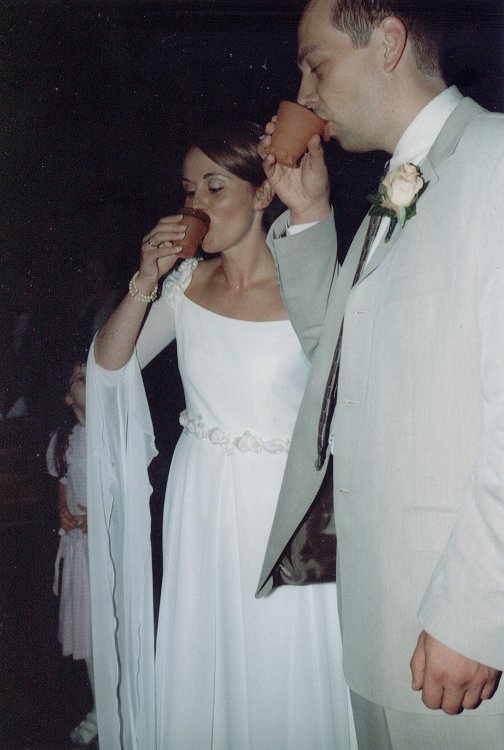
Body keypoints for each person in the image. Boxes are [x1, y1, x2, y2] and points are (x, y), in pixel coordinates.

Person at [256, 1, 504, 748]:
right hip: (379, 626)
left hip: (454, 634)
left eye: (316, 65)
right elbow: (341, 370)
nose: (304, 94)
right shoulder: (397, 191)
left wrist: (476, 613)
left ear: (389, 42)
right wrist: (308, 216)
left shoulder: (493, 161)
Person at [87, 121, 357, 749]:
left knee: (283, 665)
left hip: (283, 510)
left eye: (215, 187)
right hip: (201, 501)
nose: (197, 206)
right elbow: (109, 366)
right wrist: (146, 279)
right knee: (206, 662)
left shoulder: (307, 283)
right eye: (189, 191)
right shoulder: (187, 285)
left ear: (263, 193)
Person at [46, 356, 98, 749]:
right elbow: (63, 479)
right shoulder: (65, 440)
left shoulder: (111, 433)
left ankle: (121, 705)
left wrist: (95, 517)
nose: (87, 380)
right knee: (90, 635)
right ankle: (102, 707)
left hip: (108, 548)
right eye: (80, 377)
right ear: (68, 398)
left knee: (112, 629)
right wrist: (63, 511)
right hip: (80, 552)